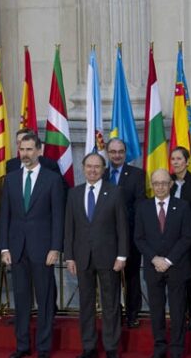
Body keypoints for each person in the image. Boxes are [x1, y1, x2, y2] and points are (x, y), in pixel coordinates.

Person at [0, 133, 65, 358]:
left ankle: (44, 347)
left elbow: (58, 216)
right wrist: (4, 247)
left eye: (29, 149)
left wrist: (55, 247)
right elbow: (5, 216)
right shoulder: (11, 178)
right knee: (21, 298)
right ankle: (22, 346)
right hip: (17, 250)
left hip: (43, 249)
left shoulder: (52, 179)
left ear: (39, 151)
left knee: (45, 300)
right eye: (22, 149)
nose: (25, 154)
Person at [65, 153, 128, 358]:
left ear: (103, 169)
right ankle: (89, 347)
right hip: (82, 256)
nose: (92, 170)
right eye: (89, 166)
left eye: (97, 167)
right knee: (86, 304)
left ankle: (111, 347)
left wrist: (122, 256)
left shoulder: (115, 192)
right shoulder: (74, 193)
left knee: (110, 304)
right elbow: (69, 228)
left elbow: (122, 227)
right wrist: (69, 256)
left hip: (109, 257)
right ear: (83, 168)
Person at [135, 169, 191, 358]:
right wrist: (154, 259)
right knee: (156, 311)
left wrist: (167, 260)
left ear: (171, 185)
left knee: (177, 310)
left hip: (176, 267)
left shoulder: (183, 206)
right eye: (156, 183)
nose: (160, 186)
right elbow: (139, 238)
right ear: (152, 186)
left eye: (164, 183)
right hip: (153, 267)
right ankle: (159, 347)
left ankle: (177, 349)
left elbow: (186, 238)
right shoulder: (143, 207)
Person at [103, 138, 145, 328]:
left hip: (129, 234)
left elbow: (140, 205)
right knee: (108, 277)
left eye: (120, 151)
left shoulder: (137, 174)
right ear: (107, 153)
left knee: (132, 276)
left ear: (125, 152)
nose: (117, 155)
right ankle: (113, 313)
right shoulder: (101, 174)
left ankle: (132, 313)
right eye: (113, 152)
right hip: (105, 237)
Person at [169, 146, 191, 330]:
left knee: (190, 276)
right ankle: (178, 313)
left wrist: (175, 221)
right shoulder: (168, 182)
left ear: (187, 161)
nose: (175, 162)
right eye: (173, 159)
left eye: (178, 159)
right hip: (169, 239)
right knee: (174, 278)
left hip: (190, 238)